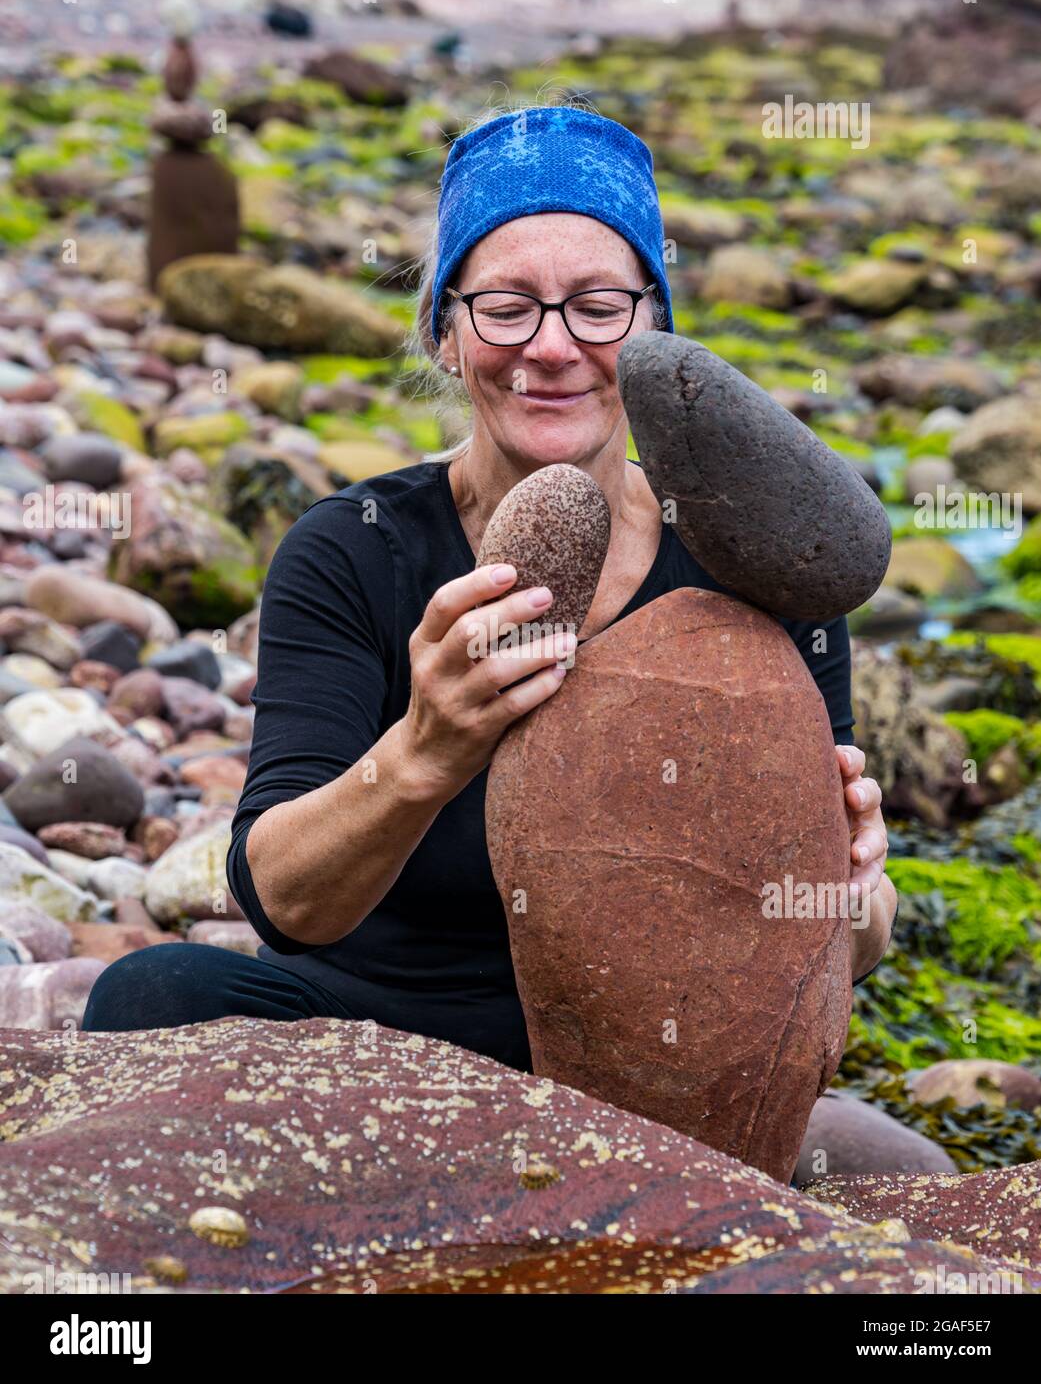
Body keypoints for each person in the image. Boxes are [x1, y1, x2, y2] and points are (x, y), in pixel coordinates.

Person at [83, 105, 896, 1071]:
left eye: (598, 307)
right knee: (156, 995)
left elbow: (843, 953)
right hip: (373, 1025)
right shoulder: (353, 550)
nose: (551, 347)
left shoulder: (755, 562)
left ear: (653, 332)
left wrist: (846, 890)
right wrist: (427, 749)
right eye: (506, 307)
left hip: (632, 1044)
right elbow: (285, 904)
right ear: (444, 334)